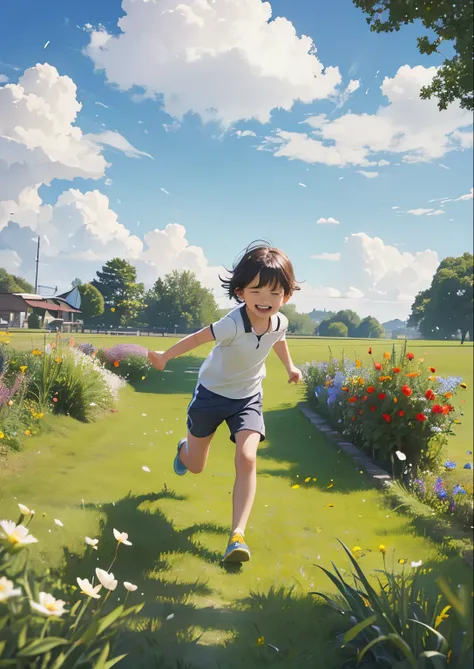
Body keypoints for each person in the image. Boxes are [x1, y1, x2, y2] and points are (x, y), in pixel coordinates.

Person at [148, 241, 303, 563]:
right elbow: (197, 339)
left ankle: (237, 536)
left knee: (247, 457)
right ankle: (184, 450)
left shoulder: (280, 321)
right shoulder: (231, 324)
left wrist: (290, 367)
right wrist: (164, 356)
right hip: (210, 396)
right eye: (257, 291)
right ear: (240, 291)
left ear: (286, 296)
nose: (265, 300)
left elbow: (279, 339)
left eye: (275, 294)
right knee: (196, 466)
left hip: (247, 398)